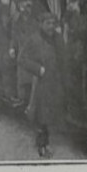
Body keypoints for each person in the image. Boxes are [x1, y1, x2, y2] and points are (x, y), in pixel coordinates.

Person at [17, 11, 65, 157]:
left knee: (50, 115)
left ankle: (46, 142)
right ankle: (41, 145)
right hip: (41, 82)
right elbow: (22, 59)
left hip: (55, 82)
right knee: (41, 115)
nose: (51, 27)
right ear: (41, 24)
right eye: (47, 23)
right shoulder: (34, 39)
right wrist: (39, 69)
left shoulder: (58, 38)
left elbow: (63, 57)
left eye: (53, 23)